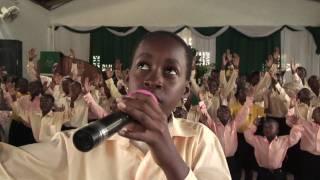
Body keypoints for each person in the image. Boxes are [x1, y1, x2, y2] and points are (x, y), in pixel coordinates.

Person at [0, 31, 231, 180]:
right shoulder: (81, 143)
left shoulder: (200, 140)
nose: (153, 79)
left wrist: (170, 158)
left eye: (170, 71)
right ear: (128, 79)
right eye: (142, 66)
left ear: (185, 92)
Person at [287, 106, 320, 180]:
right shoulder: (304, 124)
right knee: (303, 176)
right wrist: (292, 107)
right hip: (306, 157)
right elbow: (289, 121)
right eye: (318, 111)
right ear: (313, 115)